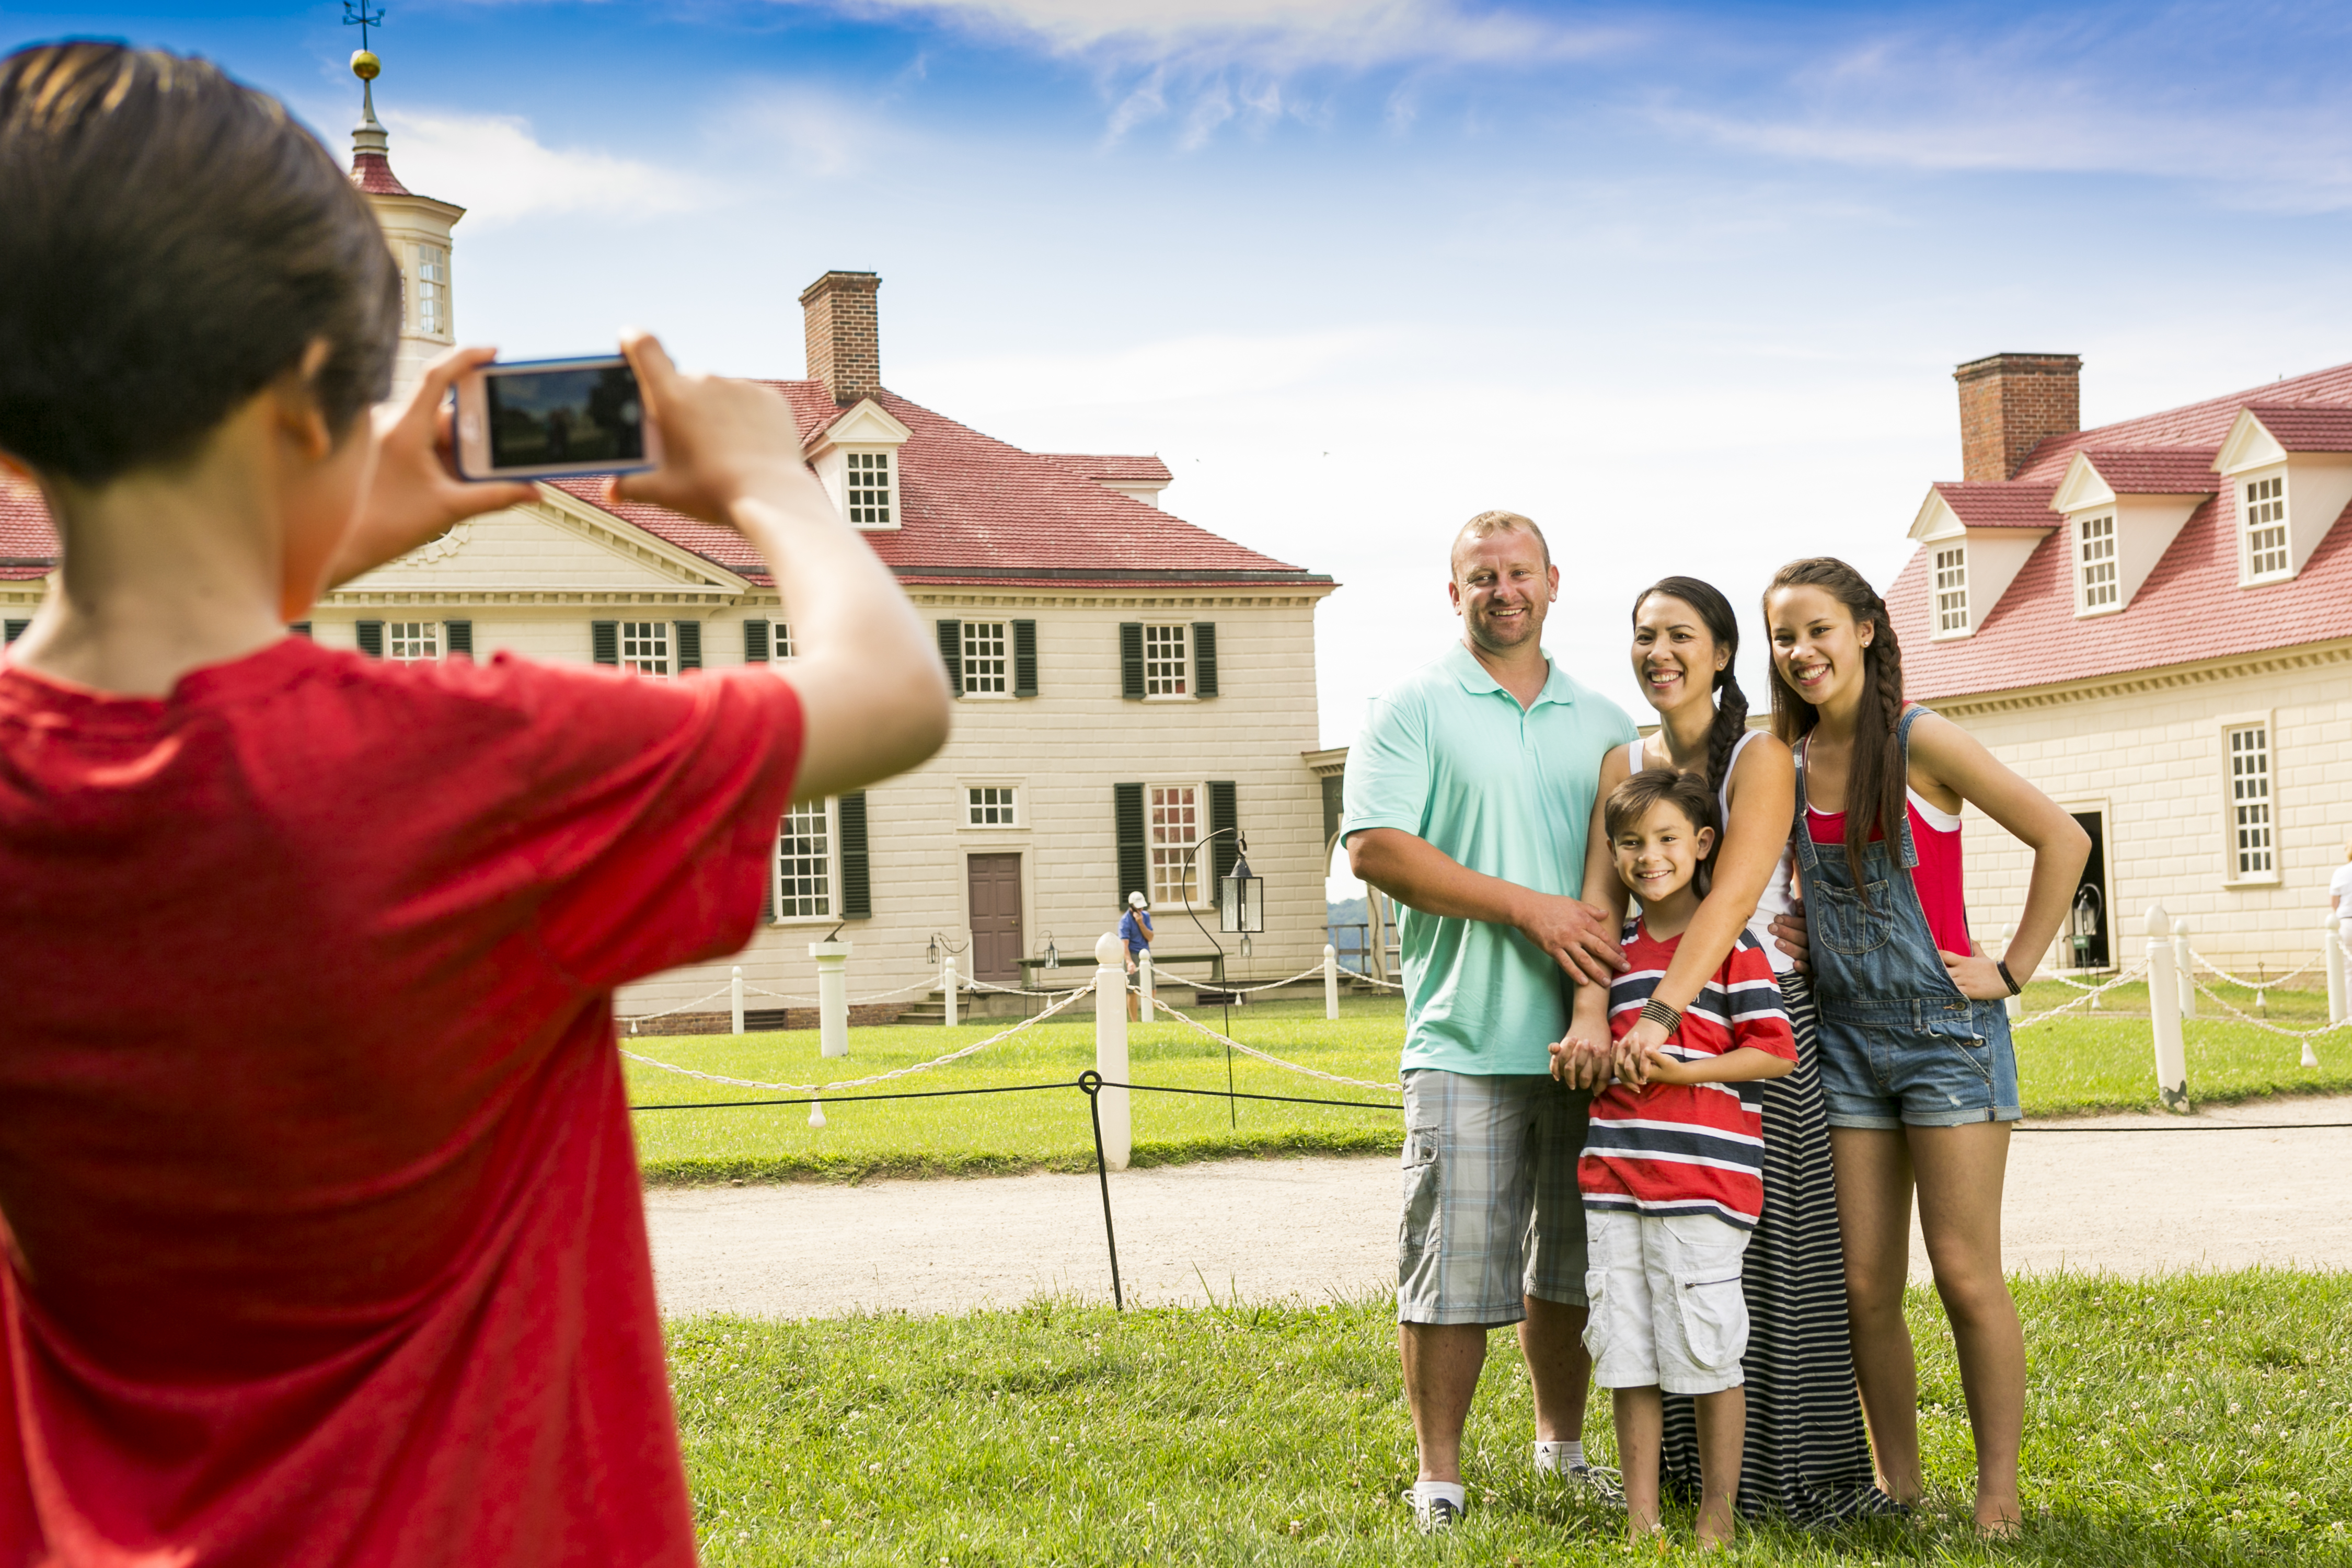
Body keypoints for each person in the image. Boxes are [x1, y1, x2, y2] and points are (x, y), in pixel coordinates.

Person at [0, 42, 951, 1565]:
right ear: (317, 399)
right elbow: (892, 690)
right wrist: (779, 489)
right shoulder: (475, 761)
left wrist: (299, 535)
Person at [1761, 558, 2086, 1535]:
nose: (1801, 652)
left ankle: (1998, 1495)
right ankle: (1898, 1489)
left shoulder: (1922, 740)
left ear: (1865, 628)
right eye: (1784, 637)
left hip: (1947, 1040)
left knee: (1962, 1271)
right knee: (1864, 1283)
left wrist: (2016, 968)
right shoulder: (1787, 760)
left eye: (1818, 629)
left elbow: (2062, 837)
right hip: (1848, 1043)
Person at [1560, 577, 1892, 1523]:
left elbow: (1738, 896)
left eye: (1680, 636)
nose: (1658, 651)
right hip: (1638, 1031)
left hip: (1742, 1017)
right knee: (1645, 1280)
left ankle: (1775, 1485)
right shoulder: (1623, 758)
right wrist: (1595, 1015)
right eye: (1643, 636)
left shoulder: (1762, 753)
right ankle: (1661, 1493)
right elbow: (1601, 904)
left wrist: (1664, 1016)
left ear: (1721, 653)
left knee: (1761, 1272)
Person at [1340, 509, 1636, 1533]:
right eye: (1481, 576)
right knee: (1451, 1272)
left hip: (1582, 1045)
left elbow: (1625, 869)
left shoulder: (1606, 723)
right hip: (1463, 1039)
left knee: (1571, 1268)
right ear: (1452, 590)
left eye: (1519, 573)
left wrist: (1596, 997)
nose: (1502, 590)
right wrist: (1529, 905)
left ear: (1555, 581)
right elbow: (1375, 850)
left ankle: (1562, 1449)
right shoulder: (1412, 707)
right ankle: (1441, 1477)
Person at [1562, 768, 1795, 1551]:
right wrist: (1586, 1060)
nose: (1648, 856)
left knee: (1705, 1350)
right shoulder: (1613, 955)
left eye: (1666, 840)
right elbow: (1600, 1047)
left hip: (1703, 1189)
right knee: (1627, 1350)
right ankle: (1641, 1518)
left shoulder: (1732, 946)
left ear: (1701, 845)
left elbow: (1774, 1053)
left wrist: (1686, 1070)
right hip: (1613, 1181)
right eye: (1630, 843)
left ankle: (1716, 1518)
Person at [1120, 890, 1154, 1022]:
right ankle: (1135, 1022)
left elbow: (1150, 937)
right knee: (1132, 991)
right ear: (1132, 906)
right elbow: (1124, 945)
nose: (1141, 909)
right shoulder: (1125, 921)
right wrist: (1129, 962)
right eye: (1138, 906)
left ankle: (1148, 1019)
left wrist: (1141, 923)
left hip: (1146, 955)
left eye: (1142, 906)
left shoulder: (1146, 916)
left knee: (1152, 989)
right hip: (1133, 955)